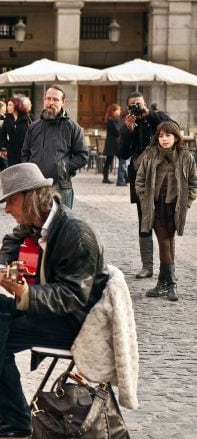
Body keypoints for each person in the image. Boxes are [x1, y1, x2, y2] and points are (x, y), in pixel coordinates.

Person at [0, 162, 109, 438]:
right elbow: (10, 241)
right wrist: (4, 266)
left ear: (30, 198)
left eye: (10, 201)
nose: (6, 209)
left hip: (77, 323)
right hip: (49, 311)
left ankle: (10, 414)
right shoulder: (35, 223)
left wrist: (25, 294)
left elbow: (74, 295)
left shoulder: (75, 233)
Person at [135, 121, 197, 302]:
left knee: (169, 241)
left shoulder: (186, 157)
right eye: (161, 136)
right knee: (163, 241)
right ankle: (171, 284)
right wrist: (145, 199)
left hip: (175, 207)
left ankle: (162, 284)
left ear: (176, 137)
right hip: (155, 207)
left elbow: (194, 183)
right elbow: (140, 180)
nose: (164, 139)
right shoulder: (151, 154)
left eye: (168, 135)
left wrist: (186, 203)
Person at [118, 91, 171, 279]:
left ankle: (168, 269)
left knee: (165, 223)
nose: (136, 108)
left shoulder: (157, 120)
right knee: (144, 222)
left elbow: (172, 127)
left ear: (145, 103)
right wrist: (128, 132)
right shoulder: (127, 126)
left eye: (139, 104)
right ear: (127, 108)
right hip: (140, 183)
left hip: (162, 181)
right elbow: (122, 154)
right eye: (133, 105)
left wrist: (148, 113)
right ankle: (147, 266)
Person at [21, 85, 87, 209]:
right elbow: (25, 153)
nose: (51, 102)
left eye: (55, 99)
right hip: (36, 187)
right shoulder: (34, 127)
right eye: (48, 98)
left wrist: (62, 168)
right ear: (44, 100)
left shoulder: (72, 127)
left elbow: (82, 156)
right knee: (36, 226)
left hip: (61, 188)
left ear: (63, 102)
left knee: (60, 226)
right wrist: (30, 171)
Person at [0, 97, 31, 168]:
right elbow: (2, 135)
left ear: (16, 105)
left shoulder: (27, 118)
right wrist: (6, 147)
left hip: (25, 152)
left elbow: (33, 135)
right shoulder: (7, 119)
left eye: (10, 105)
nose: (8, 107)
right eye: (7, 105)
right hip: (12, 152)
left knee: (24, 172)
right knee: (13, 172)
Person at [102, 103, 121, 185]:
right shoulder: (111, 121)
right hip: (112, 144)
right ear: (113, 111)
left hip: (115, 144)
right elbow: (117, 132)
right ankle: (105, 178)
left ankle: (125, 177)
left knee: (119, 160)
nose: (119, 111)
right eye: (118, 110)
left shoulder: (115, 120)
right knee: (109, 161)